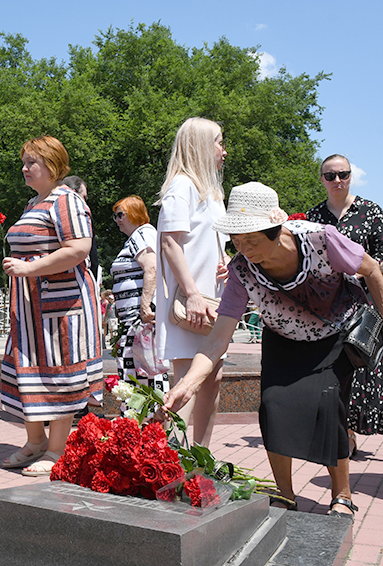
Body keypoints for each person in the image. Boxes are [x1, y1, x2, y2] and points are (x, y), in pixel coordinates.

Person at [164, 182, 383, 518]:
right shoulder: (241, 271)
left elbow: (371, 269)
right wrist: (188, 383)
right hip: (283, 337)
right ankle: (285, 494)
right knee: (273, 408)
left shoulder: (321, 239)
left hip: (334, 332)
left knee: (329, 405)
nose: (244, 249)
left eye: (251, 239)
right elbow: (217, 338)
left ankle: (342, 494)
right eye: (236, 241)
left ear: (275, 229)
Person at [1, 135, 103, 476]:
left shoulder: (66, 200)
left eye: (32, 162)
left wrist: (29, 267)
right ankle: (35, 442)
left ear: (52, 165)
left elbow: (79, 248)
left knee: (61, 373)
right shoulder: (34, 203)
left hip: (61, 306)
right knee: (25, 367)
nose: (25, 168)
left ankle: (56, 449)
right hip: (30, 308)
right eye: (25, 161)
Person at [155, 117, 228, 447]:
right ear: (200, 145)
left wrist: (224, 263)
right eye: (218, 142)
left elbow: (206, 242)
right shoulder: (182, 186)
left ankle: (200, 457)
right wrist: (193, 293)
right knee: (186, 381)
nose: (224, 151)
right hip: (191, 304)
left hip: (210, 302)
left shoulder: (211, 192)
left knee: (212, 378)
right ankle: (175, 465)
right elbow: (170, 242)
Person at [307, 154, 383, 444]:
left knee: (362, 367)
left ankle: (350, 428)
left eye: (343, 174)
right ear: (322, 179)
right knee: (335, 367)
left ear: (350, 176)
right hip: (329, 307)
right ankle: (344, 433)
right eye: (330, 176)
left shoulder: (370, 212)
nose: (337, 181)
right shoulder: (314, 217)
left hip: (364, 305)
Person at [110, 196, 169, 392]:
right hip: (134, 321)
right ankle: (143, 419)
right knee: (137, 373)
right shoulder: (139, 236)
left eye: (121, 215)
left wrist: (144, 307)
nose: (117, 220)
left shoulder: (142, 234)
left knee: (142, 374)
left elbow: (151, 268)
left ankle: (147, 419)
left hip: (139, 320)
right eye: (115, 216)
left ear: (135, 213)